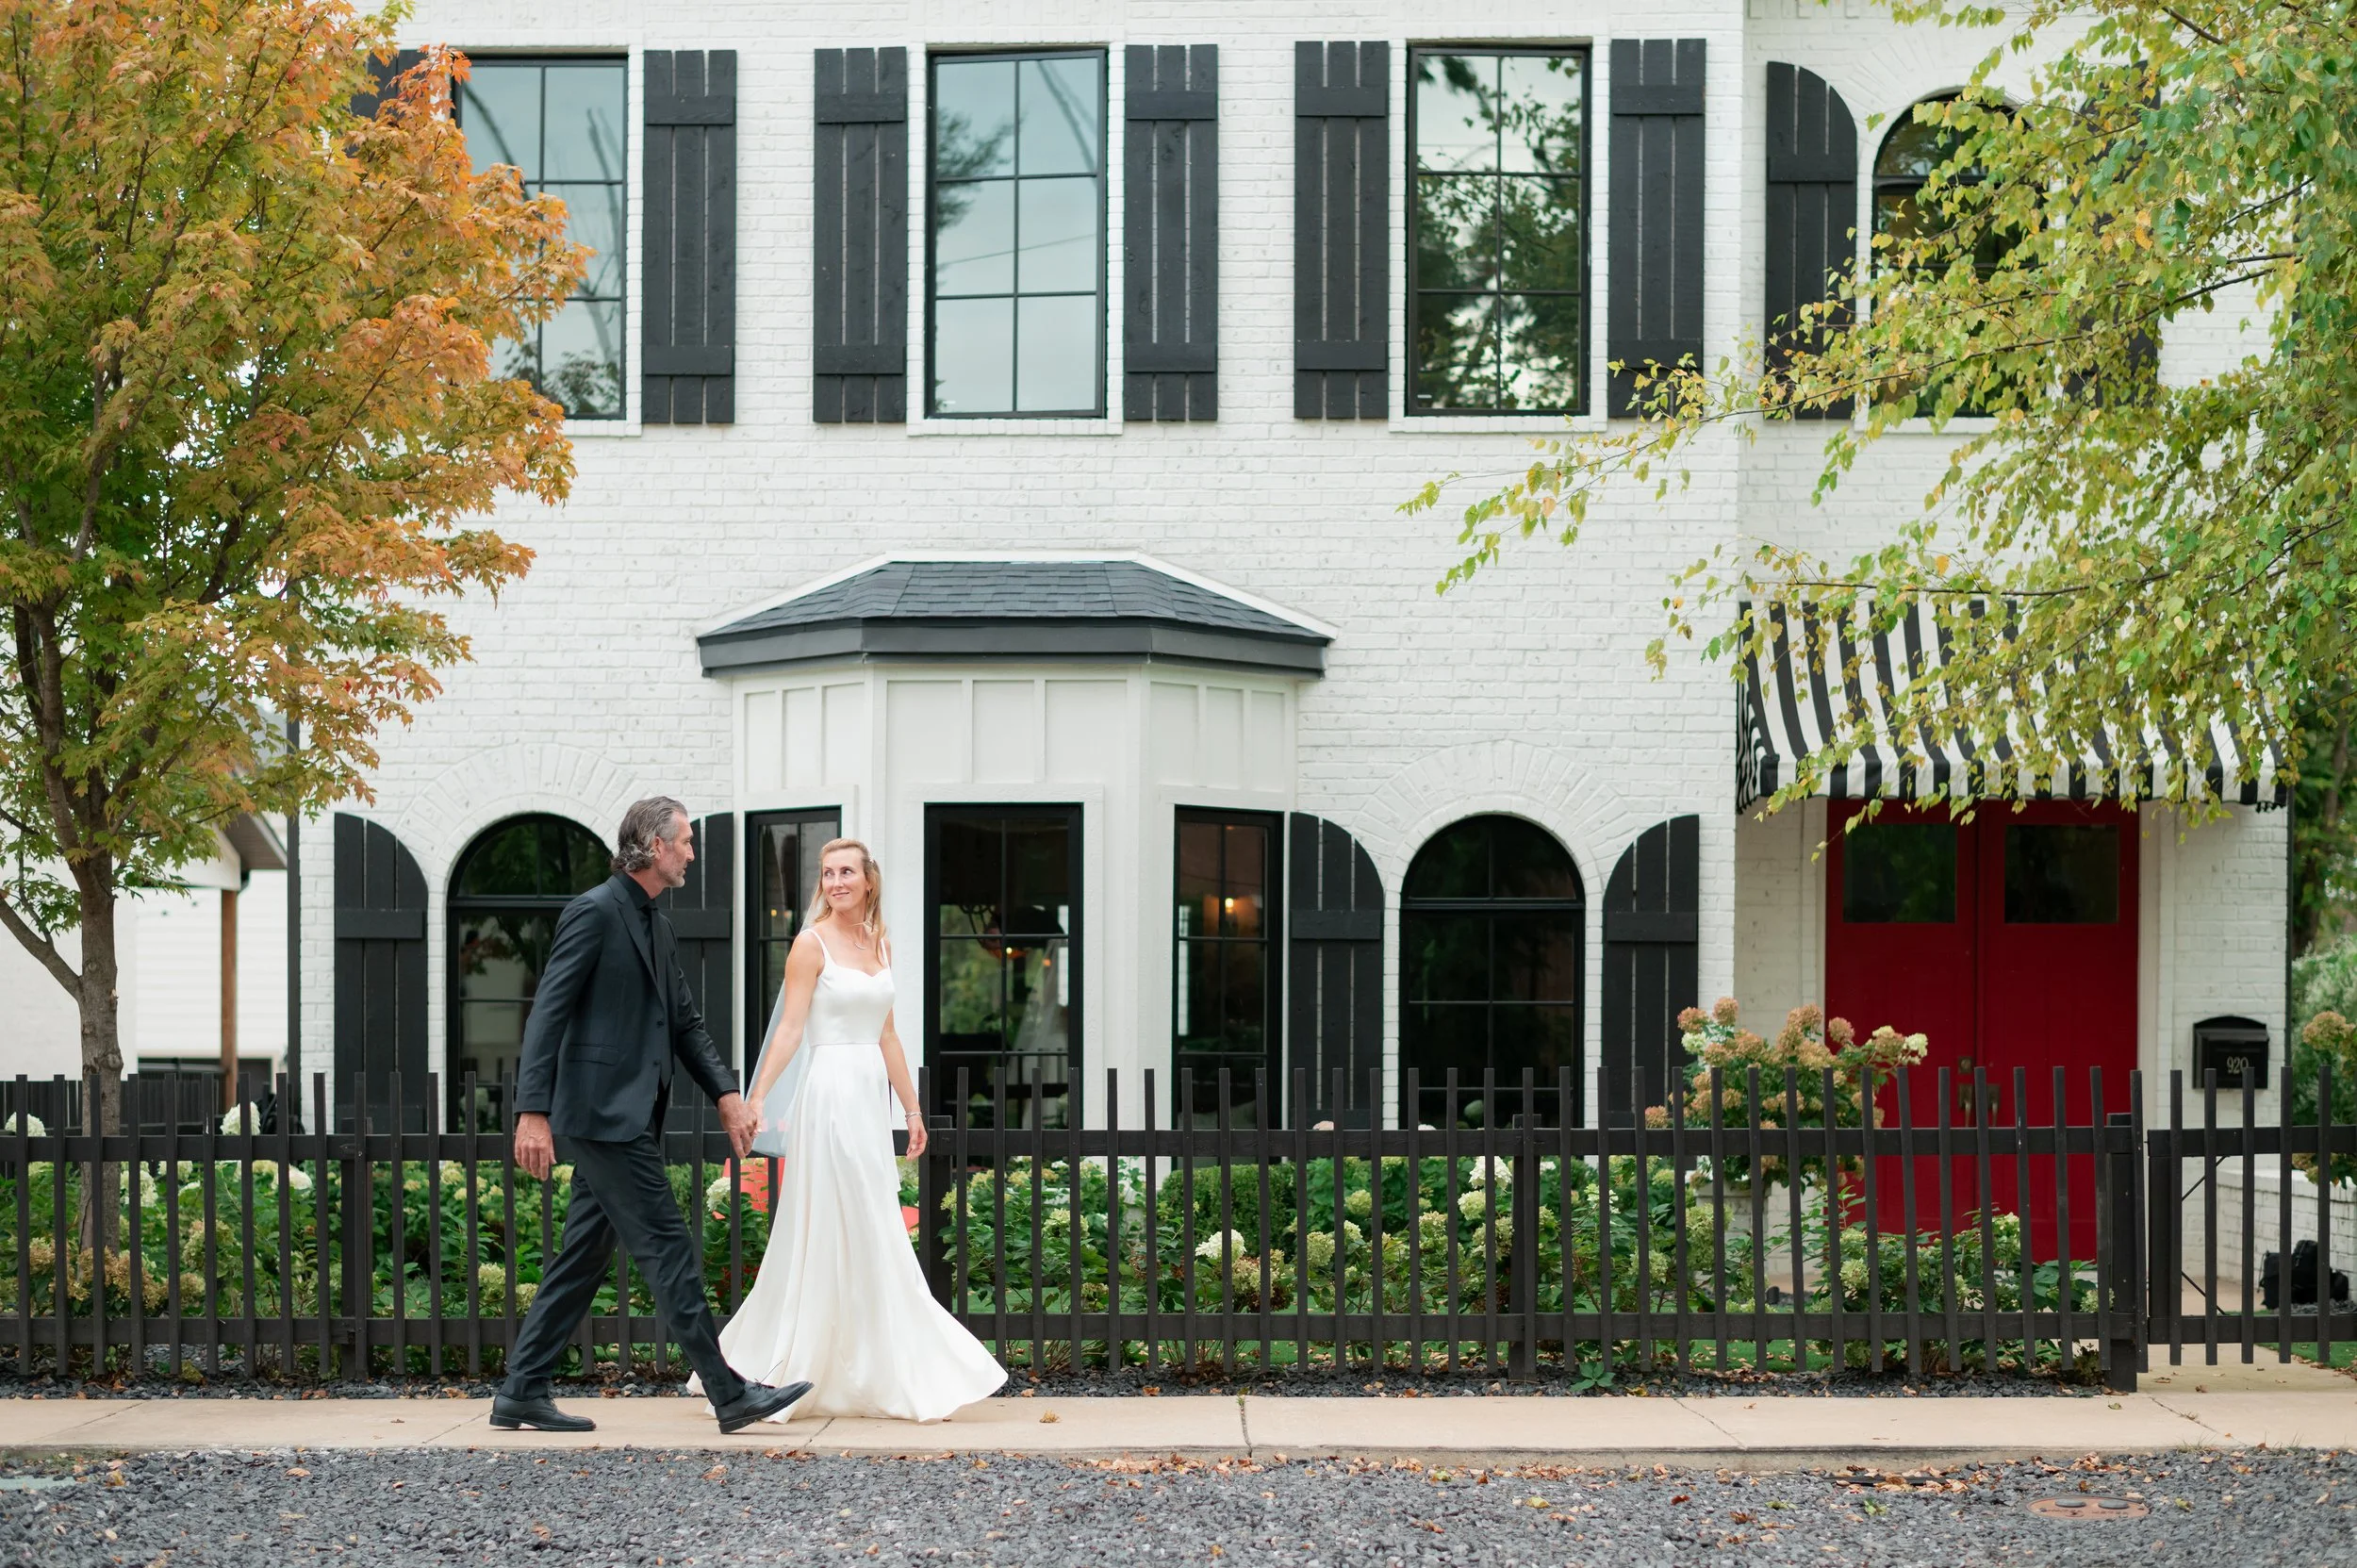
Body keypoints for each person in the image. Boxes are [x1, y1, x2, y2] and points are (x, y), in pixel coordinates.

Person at [492, 797, 812, 1434]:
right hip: (601, 1115)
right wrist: (532, 1111)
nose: (692, 852)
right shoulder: (593, 912)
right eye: (686, 842)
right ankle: (728, 1393)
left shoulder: (657, 924)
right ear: (656, 846)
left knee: (582, 1255)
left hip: (629, 1114)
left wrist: (725, 1093)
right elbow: (548, 1012)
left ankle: (522, 1389)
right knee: (668, 1246)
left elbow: (685, 1022)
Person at [702, 836, 1005, 1420]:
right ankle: (818, 1362)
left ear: (868, 880)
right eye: (827, 872)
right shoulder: (809, 945)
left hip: (869, 1097)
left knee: (872, 1218)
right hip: (833, 1094)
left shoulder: (880, 943)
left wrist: (912, 1111)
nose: (836, 880)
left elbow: (888, 1035)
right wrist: (758, 1096)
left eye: (846, 871)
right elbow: (790, 1028)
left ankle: (869, 1360)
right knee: (855, 1217)